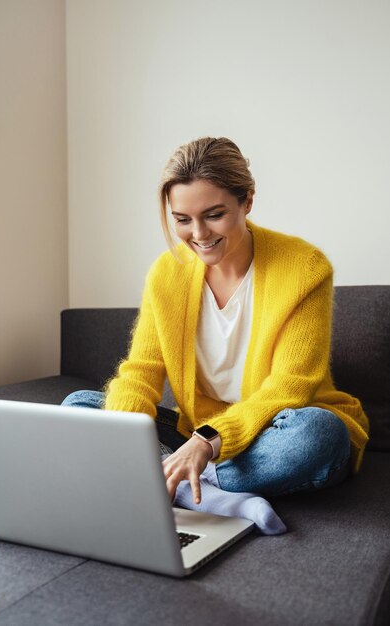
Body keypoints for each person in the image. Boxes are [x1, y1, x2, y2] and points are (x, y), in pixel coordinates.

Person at [62, 137, 369, 535]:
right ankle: (200, 489)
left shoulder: (304, 267)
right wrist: (124, 443)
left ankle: (178, 484)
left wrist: (207, 441)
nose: (198, 234)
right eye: (182, 219)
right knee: (79, 407)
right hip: (196, 436)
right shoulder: (167, 274)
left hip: (272, 430)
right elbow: (141, 372)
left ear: (247, 202)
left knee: (318, 435)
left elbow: (290, 386)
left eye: (214, 214)